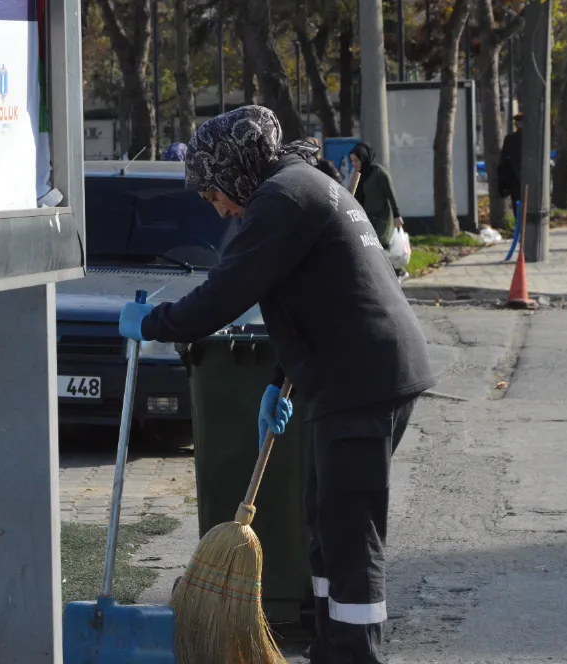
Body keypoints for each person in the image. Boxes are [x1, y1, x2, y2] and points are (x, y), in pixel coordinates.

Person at [117, 105, 437, 664]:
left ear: (236, 167)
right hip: (351, 375)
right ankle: (327, 649)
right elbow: (312, 297)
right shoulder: (300, 186)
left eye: (213, 191)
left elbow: (225, 292)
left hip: (361, 380)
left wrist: (153, 325)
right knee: (324, 522)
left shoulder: (283, 197)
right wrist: (278, 380)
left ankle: (357, 655)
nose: (216, 206)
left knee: (350, 536)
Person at [349, 143, 403, 250]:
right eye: (352, 161)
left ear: (364, 158)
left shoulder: (379, 173)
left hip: (382, 219)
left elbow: (390, 194)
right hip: (365, 219)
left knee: (380, 247)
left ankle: (394, 267)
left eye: (356, 160)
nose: (354, 164)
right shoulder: (356, 175)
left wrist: (396, 215)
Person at [498, 112, 523, 211]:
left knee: (516, 201)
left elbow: (503, 159)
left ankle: (519, 224)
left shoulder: (510, 139)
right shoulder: (533, 139)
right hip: (528, 177)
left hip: (515, 176)